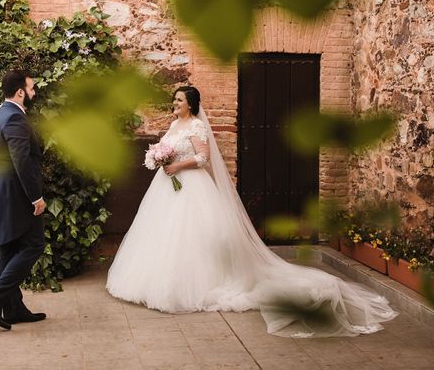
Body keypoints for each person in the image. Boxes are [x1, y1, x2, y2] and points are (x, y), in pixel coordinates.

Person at [106, 86, 398, 338]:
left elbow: (203, 157)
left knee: (192, 234)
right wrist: (158, 156)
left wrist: (177, 165)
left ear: (192, 104)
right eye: (175, 100)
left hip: (191, 185)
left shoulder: (196, 126)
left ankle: (200, 284)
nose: (175, 104)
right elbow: (167, 146)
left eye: (180, 100)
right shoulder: (174, 125)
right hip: (167, 186)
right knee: (163, 234)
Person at [0, 70, 47, 330]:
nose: (34, 93)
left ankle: (13, 308)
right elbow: (22, 161)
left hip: (2, 188)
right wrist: (36, 197)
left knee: (11, 245)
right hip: (15, 191)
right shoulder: (15, 118)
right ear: (20, 92)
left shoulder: (0, 115)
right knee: (34, 244)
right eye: (31, 88)